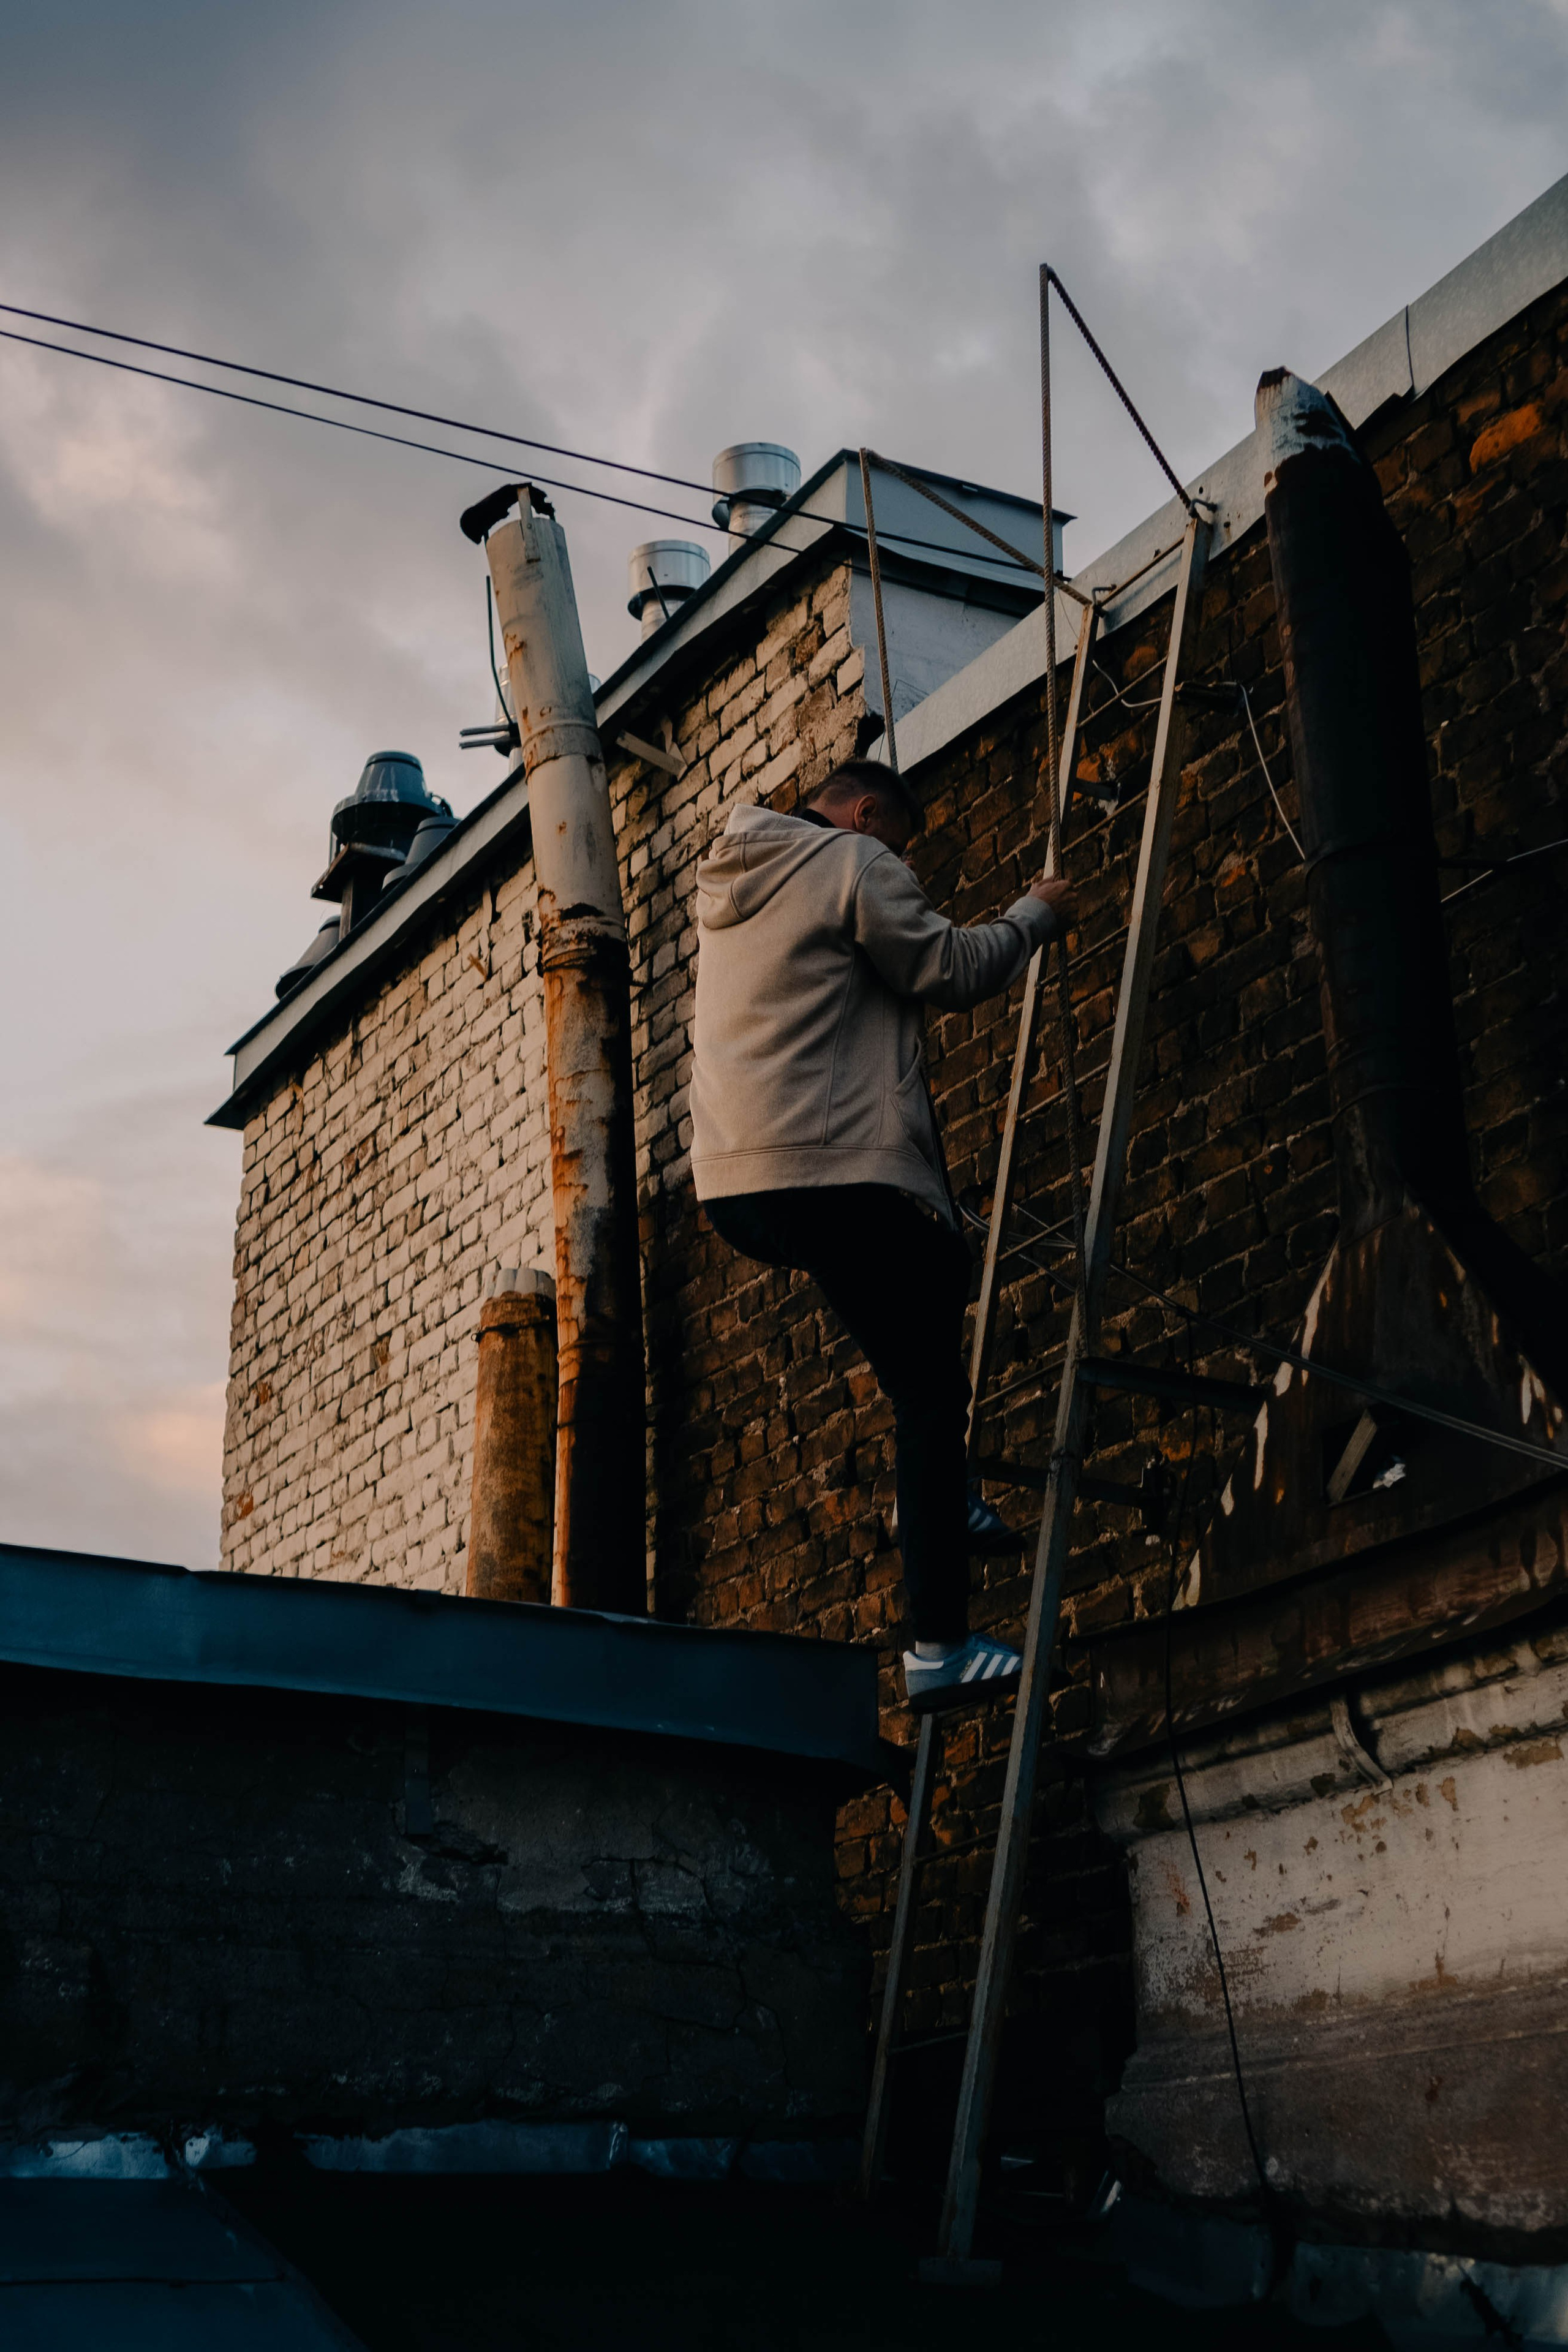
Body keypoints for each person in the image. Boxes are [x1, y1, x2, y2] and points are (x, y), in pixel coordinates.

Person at [689, 759, 1072, 1708]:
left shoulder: (736, 877)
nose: (900, 861)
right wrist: (1037, 914)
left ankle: (931, 1498)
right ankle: (938, 1647)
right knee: (933, 1388)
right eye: (900, 842)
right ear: (866, 814)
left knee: (939, 1269)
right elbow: (951, 969)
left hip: (740, 1187)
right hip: (829, 1174)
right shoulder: (854, 861)